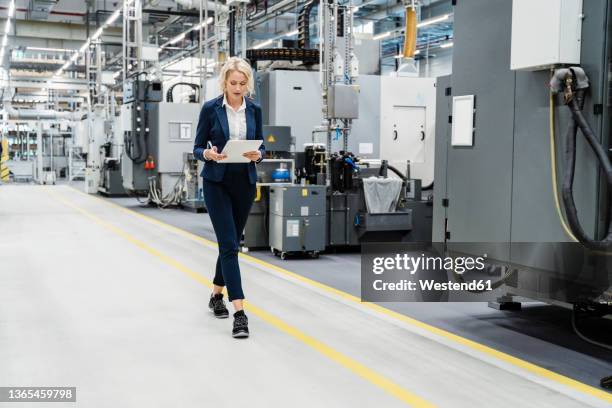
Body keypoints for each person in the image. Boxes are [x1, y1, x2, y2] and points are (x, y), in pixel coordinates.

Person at [193, 57, 265, 339]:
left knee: (230, 244)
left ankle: (215, 295)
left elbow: (261, 144)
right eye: (233, 83)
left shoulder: (255, 110)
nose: (238, 88)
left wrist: (259, 154)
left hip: (244, 183)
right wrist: (207, 154)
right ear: (224, 82)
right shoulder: (210, 109)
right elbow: (197, 147)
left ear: (248, 83)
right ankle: (240, 313)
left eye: (243, 83)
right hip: (216, 182)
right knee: (229, 246)